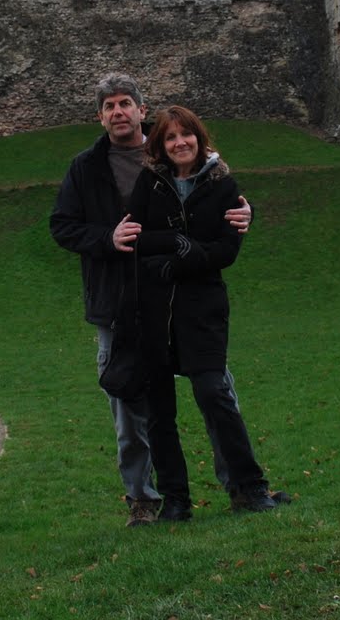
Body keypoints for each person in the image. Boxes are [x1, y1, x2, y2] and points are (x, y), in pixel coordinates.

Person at [50, 74, 252, 526]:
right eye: (109, 106)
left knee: (215, 389)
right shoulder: (86, 167)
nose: (118, 112)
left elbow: (206, 198)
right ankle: (145, 499)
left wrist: (241, 214)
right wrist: (107, 237)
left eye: (125, 104)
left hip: (181, 297)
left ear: (142, 111)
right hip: (117, 302)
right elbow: (62, 225)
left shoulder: (165, 156)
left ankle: (241, 486)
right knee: (132, 404)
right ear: (100, 117)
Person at [127, 104, 290, 518]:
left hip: (202, 306)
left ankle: (249, 488)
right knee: (160, 408)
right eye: (170, 137)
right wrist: (175, 244)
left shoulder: (222, 185)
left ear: (199, 138)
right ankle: (177, 501)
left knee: (214, 393)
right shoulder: (151, 183)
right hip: (156, 306)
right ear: (161, 145)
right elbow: (139, 239)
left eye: (187, 135)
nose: (180, 143)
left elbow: (227, 250)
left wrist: (182, 255)